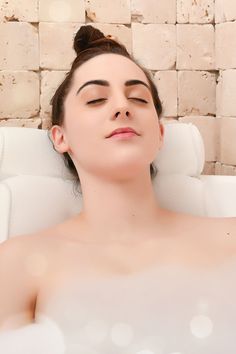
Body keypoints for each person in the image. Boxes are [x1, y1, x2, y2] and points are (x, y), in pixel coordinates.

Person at [0, 24, 236, 354]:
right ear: (60, 137)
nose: (122, 107)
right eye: (96, 99)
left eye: (139, 98)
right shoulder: (17, 262)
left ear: (160, 134)